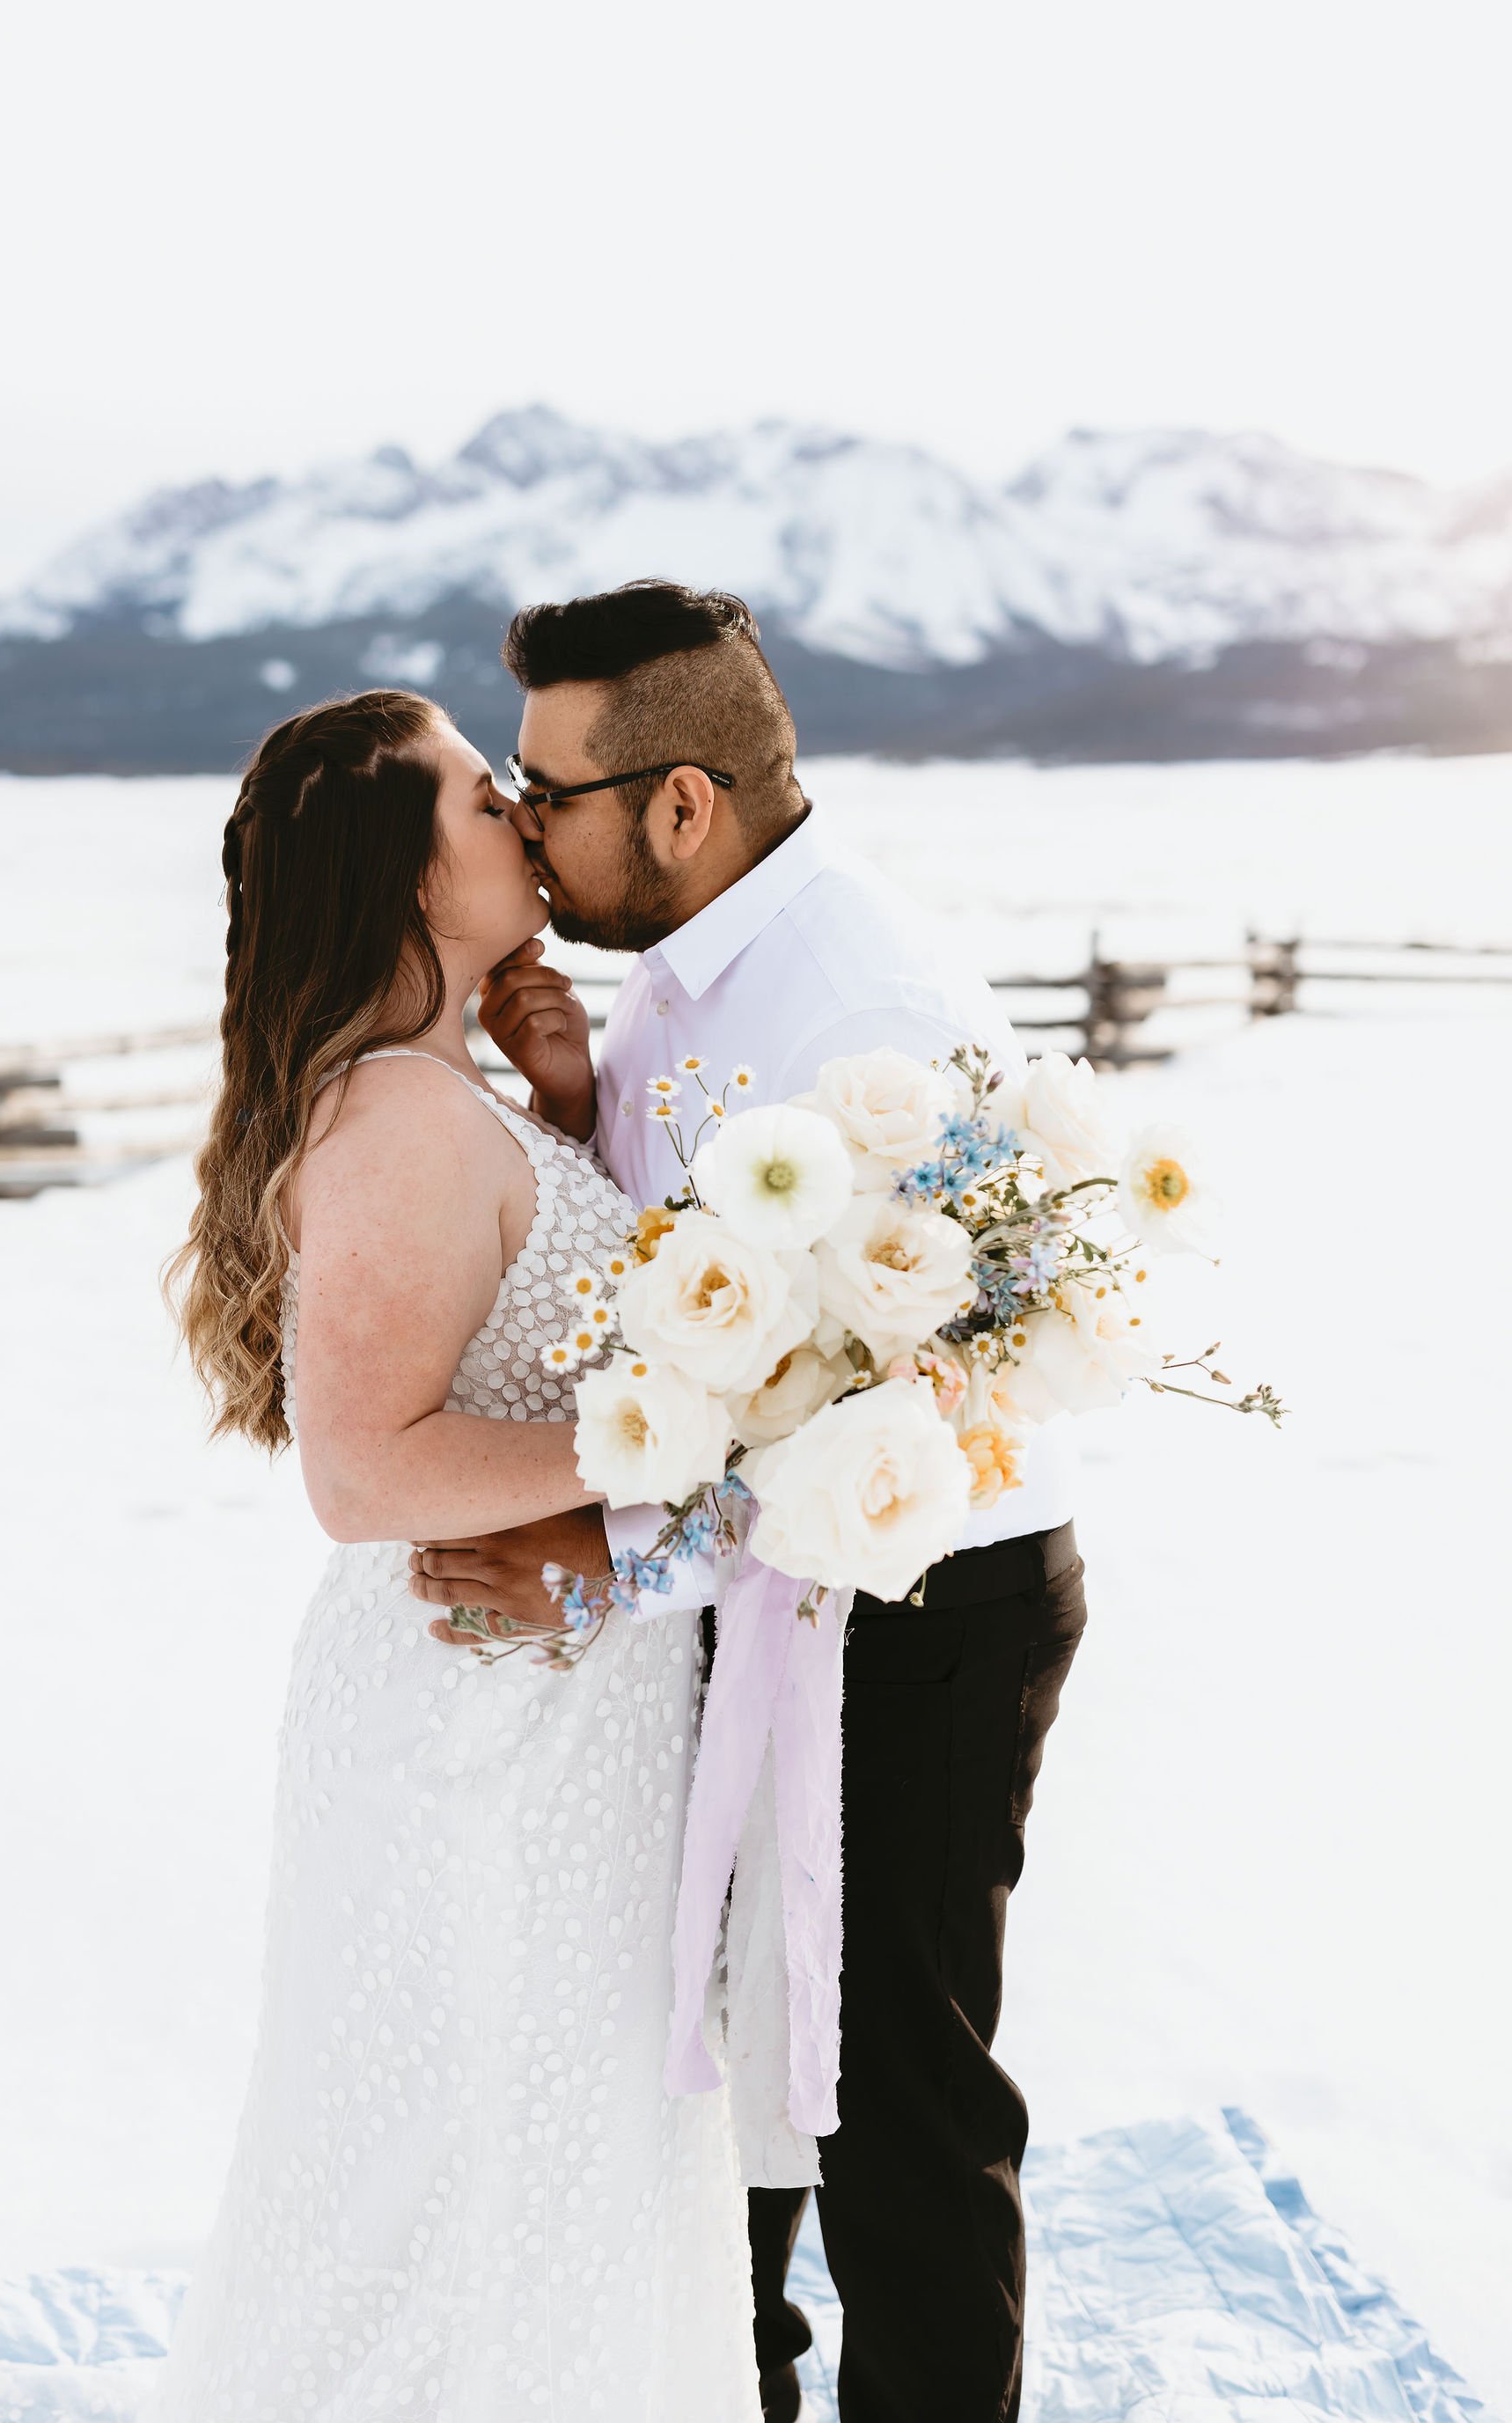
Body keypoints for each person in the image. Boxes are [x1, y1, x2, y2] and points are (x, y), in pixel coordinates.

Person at [413, 583, 1089, 2422]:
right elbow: (688, 1298)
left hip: (919, 1603)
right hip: (765, 1594)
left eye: (547, 793)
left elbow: (880, 1403)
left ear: (684, 803)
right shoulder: (689, 972)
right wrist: (567, 1094)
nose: (525, 830)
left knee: (892, 2109)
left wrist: (594, 1549)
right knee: (748, 2077)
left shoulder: (851, 1005)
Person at [152, 687, 759, 2421]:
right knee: (465, 2174)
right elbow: (362, 1470)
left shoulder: (448, 1098)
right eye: (484, 803)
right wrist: (706, 1446)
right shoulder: (403, 1121)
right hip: (476, 1737)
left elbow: (528, 1333)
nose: (522, 819)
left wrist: (566, 1108)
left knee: (553, 2165)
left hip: (557, 1705)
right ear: (413, 873)